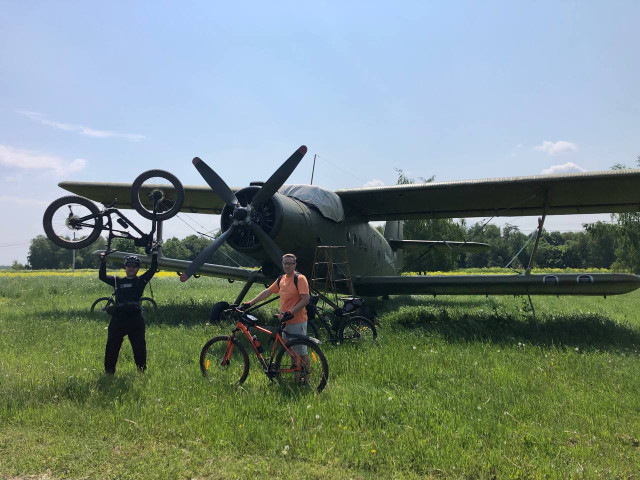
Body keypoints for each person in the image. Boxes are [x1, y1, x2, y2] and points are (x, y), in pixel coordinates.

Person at [243, 253, 310, 382]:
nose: (287, 266)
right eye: (285, 263)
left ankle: (306, 380)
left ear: (295, 265)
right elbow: (268, 291)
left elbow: (306, 299)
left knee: (301, 352)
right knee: (291, 351)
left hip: (297, 320)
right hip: (285, 321)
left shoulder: (300, 279)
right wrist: (250, 303)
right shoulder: (282, 279)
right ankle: (297, 379)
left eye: (290, 263)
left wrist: (291, 312)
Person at [99, 249, 158, 374]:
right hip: (118, 318)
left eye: (134, 266)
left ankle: (141, 371)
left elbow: (153, 269)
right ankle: (109, 373)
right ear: (125, 267)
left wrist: (154, 253)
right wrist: (103, 261)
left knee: (139, 347)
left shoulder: (140, 281)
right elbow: (102, 276)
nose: (131, 268)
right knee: (112, 347)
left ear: (138, 268)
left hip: (135, 319)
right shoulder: (117, 281)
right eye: (128, 265)